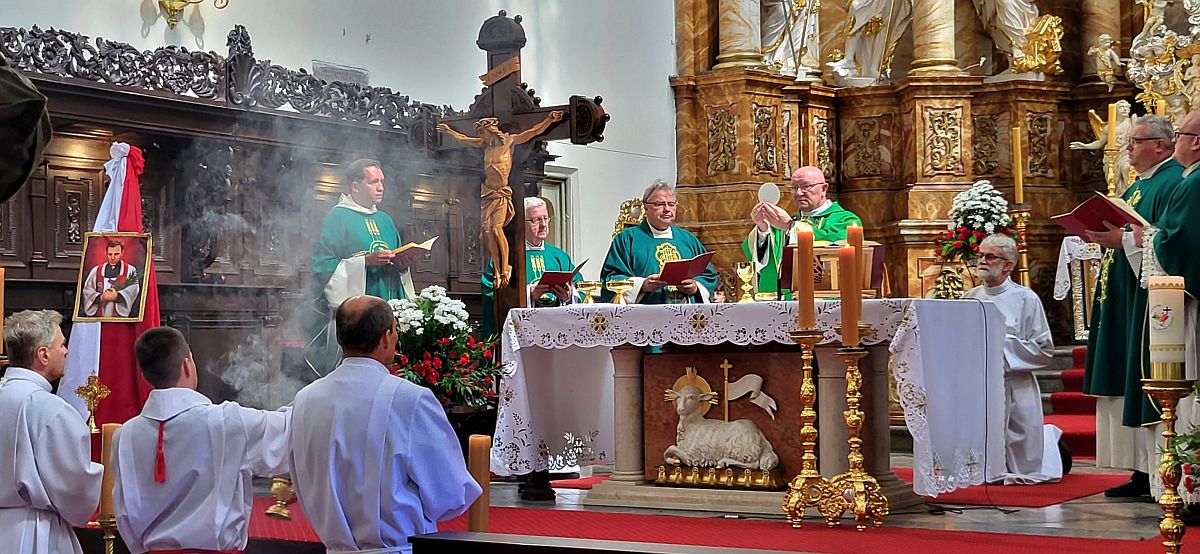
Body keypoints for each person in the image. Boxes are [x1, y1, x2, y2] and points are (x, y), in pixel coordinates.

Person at [289, 296, 481, 553]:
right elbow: (450, 493)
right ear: (386, 337)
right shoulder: (408, 399)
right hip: (398, 549)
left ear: (340, 337)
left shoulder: (305, 399)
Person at [111, 326, 290, 554]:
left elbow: (123, 513)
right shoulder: (226, 422)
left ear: (144, 376)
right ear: (187, 365)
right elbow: (290, 430)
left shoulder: (124, 436)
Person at [1079, 115, 1182, 497]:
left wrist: (1120, 240)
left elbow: (1164, 241)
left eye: (1135, 141)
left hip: (1149, 301)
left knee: (1145, 379)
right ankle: (1140, 469)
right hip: (1122, 296)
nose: (1127, 149)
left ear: (1160, 145)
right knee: (1125, 378)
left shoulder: (1172, 182)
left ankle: (1158, 472)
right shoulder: (1139, 185)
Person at [1134, 109, 1200, 513]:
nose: (1176, 141)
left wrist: (1146, 238)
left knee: (1191, 382)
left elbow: (1181, 243)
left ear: (1196, 142)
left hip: (1191, 307)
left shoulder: (1194, 183)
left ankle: (1193, 489)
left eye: (1180, 134)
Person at [0, 310, 102, 554]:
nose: (66, 351)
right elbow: (74, 488)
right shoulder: (50, 409)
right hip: (36, 532)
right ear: (43, 354)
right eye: (62, 344)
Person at [964, 235, 1063, 484]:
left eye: (990, 256)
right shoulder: (969, 298)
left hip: (1014, 384)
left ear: (1008, 265)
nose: (982, 261)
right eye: (980, 255)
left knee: (1021, 448)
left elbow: (1043, 349)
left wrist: (1001, 344)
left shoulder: (1025, 299)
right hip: (979, 385)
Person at [439, 111, 565, 290]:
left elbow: (534, 131)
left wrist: (549, 119)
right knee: (487, 231)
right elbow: (464, 139)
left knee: (497, 229)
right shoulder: (484, 145)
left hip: (501, 193)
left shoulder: (509, 142)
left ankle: (506, 267)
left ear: (490, 130)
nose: (480, 136)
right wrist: (449, 131)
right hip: (487, 192)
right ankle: (498, 271)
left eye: (482, 132)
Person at [742, 166, 862, 297]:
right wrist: (762, 230)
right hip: (787, 301)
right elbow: (761, 260)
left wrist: (791, 226)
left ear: (824, 189)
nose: (799, 193)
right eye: (794, 188)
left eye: (805, 186)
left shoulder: (846, 220)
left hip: (826, 298)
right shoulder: (786, 222)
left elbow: (833, 246)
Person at [312, 158, 415, 309]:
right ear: (355, 187)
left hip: (391, 305)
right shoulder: (338, 217)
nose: (380, 188)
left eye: (381, 182)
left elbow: (396, 261)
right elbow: (323, 267)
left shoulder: (385, 220)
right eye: (373, 182)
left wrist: (402, 266)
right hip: (360, 311)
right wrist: (365, 261)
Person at [601, 180, 718, 304]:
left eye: (671, 204)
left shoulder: (688, 238)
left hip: (686, 312)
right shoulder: (627, 239)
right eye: (660, 204)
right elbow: (611, 278)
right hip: (646, 312)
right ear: (646, 208)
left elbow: (708, 275)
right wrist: (642, 285)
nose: (667, 209)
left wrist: (695, 286)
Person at [481, 196, 583, 338]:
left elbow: (580, 287)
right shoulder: (506, 257)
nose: (543, 225)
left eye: (545, 218)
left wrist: (569, 296)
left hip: (557, 330)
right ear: (521, 224)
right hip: (522, 333)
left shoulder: (559, 256)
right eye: (536, 220)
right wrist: (528, 295)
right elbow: (490, 290)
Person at [1070, 100, 1135, 197]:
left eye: (1127, 107)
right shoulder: (1108, 127)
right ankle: (1118, 195)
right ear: (1116, 110)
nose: (1125, 109)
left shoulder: (1132, 123)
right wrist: (1084, 146)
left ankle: (1128, 194)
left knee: (1126, 168)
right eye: (1121, 107)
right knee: (1113, 178)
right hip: (1112, 157)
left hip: (1126, 154)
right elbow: (1100, 143)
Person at [81, 238, 142, 318]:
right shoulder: (96, 270)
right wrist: (100, 297)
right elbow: (87, 290)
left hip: (119, 317)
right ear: (106, 253)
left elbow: (133, 289)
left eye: (116, 254)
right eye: (110, 254)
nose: (112, 257)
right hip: (99, 316)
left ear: (122, 253)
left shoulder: (130, 270)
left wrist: (118, 296)